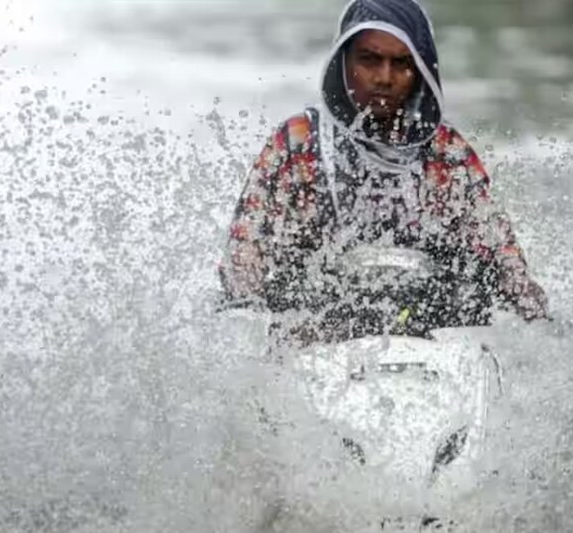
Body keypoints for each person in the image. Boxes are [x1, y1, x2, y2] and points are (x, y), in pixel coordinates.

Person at [219, 0, 548, 340]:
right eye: (370, 60)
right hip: (312, 335)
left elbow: (498, 248)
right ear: (343, 62)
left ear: (421, 71)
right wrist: (248, 311)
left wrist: (528, 305)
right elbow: (245, 250)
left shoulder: (446, 154)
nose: (385, 78)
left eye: (402, 63)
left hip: (425, 336)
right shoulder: (297, 145)